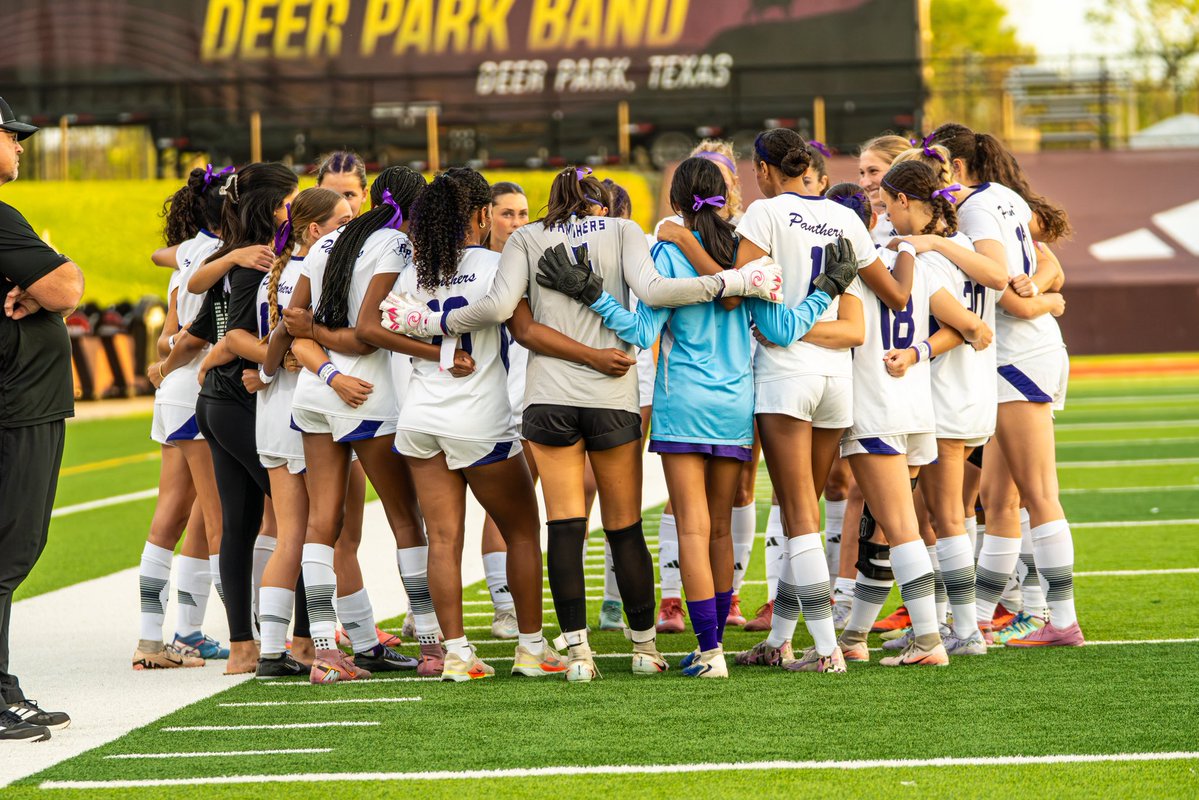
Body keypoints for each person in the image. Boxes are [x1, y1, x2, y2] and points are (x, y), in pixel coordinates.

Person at [380, 165, 783, 682]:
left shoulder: (524, 237)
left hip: (545, 398)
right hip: (612, 392)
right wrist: (734, 281)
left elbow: (509, 315)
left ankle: (576, 654)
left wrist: (435, 326)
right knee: (624, 525)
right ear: (597, 203)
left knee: (564, 526)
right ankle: (643, 649)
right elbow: (656, 294)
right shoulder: (622, 230)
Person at [544, 157, 855, 676]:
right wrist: (828, 289)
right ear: (727, 199)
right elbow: (780, 329)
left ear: (676, 202)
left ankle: (710, 651)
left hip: (683, 404)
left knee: (690, 528)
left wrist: (590, 293)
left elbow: (641, 333)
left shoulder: (667, 252)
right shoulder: (748, 252)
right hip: (736, 403)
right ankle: (716, 647)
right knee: (717, 530)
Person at [386, 169, 564, 681]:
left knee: (442, 539)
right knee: (523, 532)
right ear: (483, 215)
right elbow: (525, 327)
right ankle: (531, 648)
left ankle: (457, 655)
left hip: (420, 417)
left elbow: (385, 321)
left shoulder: (416, 271)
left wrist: (437, 347)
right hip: (479, 417)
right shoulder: (495, 264)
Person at [266, 167, 442, 682]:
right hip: (368, 395)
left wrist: (305, 360)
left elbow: (293, 324)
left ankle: (325, 651)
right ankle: (431, 646)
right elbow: (368, 336)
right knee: (405, 517)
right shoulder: (398, 246)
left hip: (315, 394)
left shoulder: (327, 243)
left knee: (324, 522)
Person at [729, 130, 876, 673]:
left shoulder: (765, 214)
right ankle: (781, 641)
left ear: (765, 169)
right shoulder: (846, 218)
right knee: (803, 515)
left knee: (797, 516)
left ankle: (826, 649)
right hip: (836, 380)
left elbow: (748, 288)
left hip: (784, 378)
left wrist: (785, 328)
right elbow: (859, 321)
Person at [835, 159, 991, 667]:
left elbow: (845, 332)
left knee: (900, 526)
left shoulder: (860, 269)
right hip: (918, 410)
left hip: (877, 407)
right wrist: (919, 352)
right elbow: (974, 327)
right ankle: (856, 634)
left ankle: (930, 640)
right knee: (884, 526)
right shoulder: (910, 262)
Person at [931, 123, 1081, 647]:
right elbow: (1047, 264)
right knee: (999, 497)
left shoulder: (974, 206)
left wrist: (1038, 298)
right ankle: (978, 619)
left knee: (1038, 494)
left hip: (1018, 355)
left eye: (936, 161)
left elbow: (1008, 292)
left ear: (955, 165)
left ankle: (1060, 620)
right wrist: (1045, 291)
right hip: (1022, 353)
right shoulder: (1005, 196)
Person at [187, 163, 299, 674]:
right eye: (291, 201)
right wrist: (274, 361)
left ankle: (242, 647)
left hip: (216, 401)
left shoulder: (240, 256)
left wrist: (208, 358)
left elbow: (208, 320)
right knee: (301, 517)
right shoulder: (258, 261)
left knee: (241, 524)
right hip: (239, 402)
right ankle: (301, 640)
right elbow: (233, 334)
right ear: (274, 208)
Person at [0, 98, 82, 741]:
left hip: (19, 401)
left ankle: (3, 687)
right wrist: (46, 275)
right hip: (16, 405)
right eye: (11, 135)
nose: (21, 145)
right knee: (9, 550)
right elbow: (67, 288)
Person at [137, 167, 234, 670]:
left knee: (182, 514)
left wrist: (164, 361)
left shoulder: (187, 256)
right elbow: (190, 336)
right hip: (200, 390)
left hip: (176, 393)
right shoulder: (223, 256)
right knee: (220, 519)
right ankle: (248, 638)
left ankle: (163, 638)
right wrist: (172, 361)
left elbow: (167, 334)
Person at [478, 181, 531, 639]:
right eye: (507, 214)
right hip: (488, 400)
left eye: (522, 214)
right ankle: (504, 607)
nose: (516, 223)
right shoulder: (476, 265)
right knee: (501, 511)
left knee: (523, 510)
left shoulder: (532, 260)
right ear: (486, 215)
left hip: (530, 397)